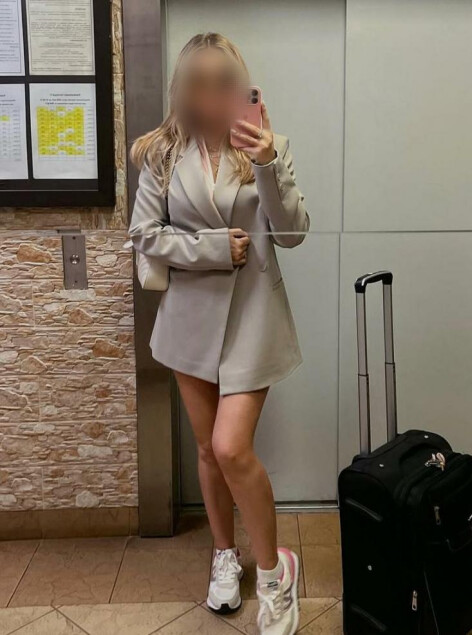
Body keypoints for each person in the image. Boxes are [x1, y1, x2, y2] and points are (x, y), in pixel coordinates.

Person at [128, 32, 309, 635]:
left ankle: (275, 573)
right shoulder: (161, 153)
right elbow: (144, 235)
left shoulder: (265, 146)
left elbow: (292, 233)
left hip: (253, 317)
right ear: (183, 88)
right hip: (189, 320)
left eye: (223, 81)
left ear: (239, 85)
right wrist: (210, 249)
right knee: (207, 450)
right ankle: (224, 556)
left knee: (232, 448)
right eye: (200, 82)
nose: (211, 93)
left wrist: (268, 162)